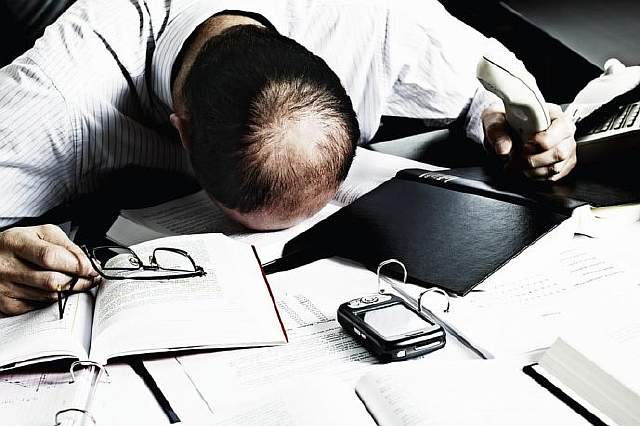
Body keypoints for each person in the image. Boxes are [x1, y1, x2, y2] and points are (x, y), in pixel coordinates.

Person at [0, 0, 578, 315]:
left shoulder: (368, 19)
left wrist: (519, 128)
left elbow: (491, 84)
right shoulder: (56, 95)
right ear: (181, 134)